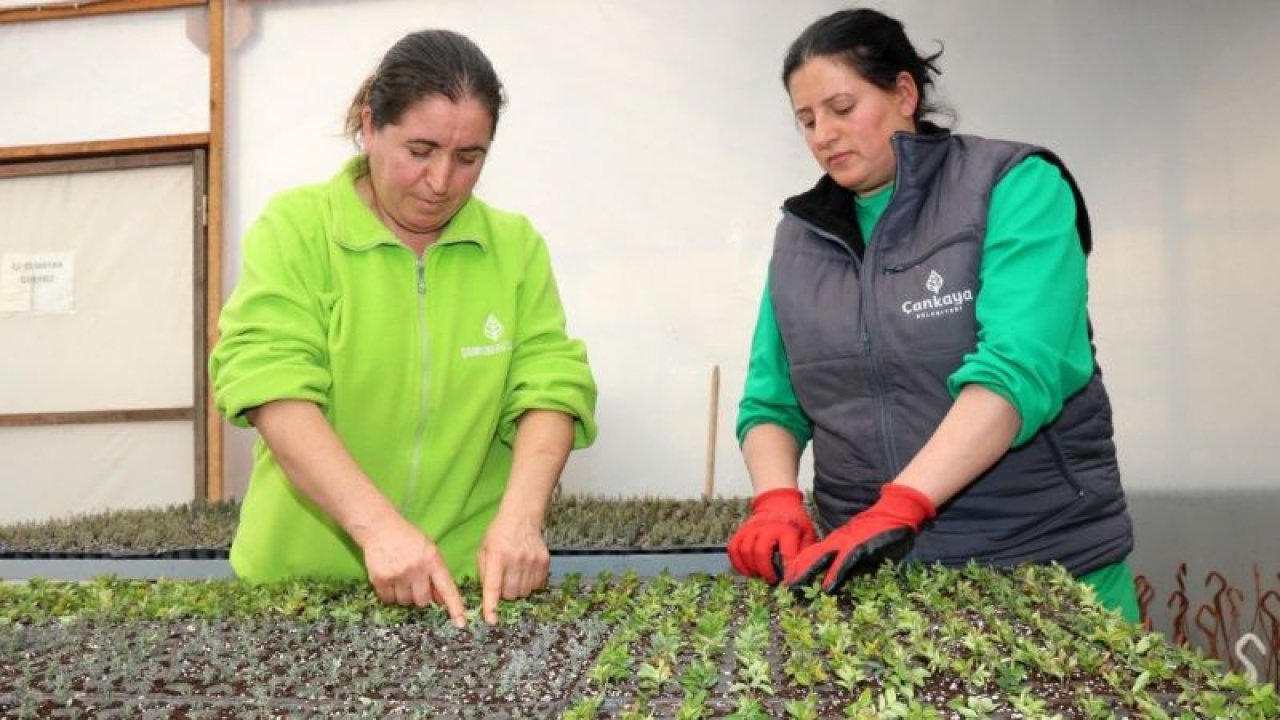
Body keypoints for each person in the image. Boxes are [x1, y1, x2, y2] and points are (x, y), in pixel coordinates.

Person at [727, 8, 1138, 621]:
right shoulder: (800, 237)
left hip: (1044, 564)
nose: (822, 135)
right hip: (872, 578)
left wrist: (901, 506)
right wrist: (777, 499)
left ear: (904, 92)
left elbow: (1016, 371)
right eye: (806, 121)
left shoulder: (1012, 185)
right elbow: (771, 401)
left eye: (842, 108)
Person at [209, 29, 597, 627]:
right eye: (419, 151)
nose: (441, 181)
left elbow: (550, 385)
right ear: (369, 127)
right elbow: (271, 385)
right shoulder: (299, 230)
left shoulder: (514, 248)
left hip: (468, 592)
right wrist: (379, 530)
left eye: (469, 159)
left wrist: (521, 520)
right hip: (298, 590)